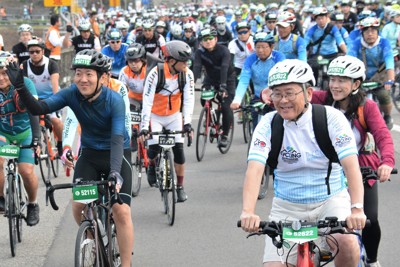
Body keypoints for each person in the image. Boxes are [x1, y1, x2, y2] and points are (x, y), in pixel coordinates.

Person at [9, 49, 134, 266]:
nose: (82, 79)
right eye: (78, 73)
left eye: (88, 74)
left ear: (102, 77)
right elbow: (39, 108)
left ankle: (126, 264)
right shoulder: (71, 94)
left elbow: (117, 139)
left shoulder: (114, 100)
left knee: (121, 211)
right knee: (78, 206)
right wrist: (20, 85)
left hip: (116, 155)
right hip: (90, 155)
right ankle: (90, 239)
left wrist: (115, 173)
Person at [240, 59, 367, 267]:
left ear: (308, 93)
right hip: (286, 208)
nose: (283, 100)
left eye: (289, 93)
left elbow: (351, 165)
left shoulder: (331, 119)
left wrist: (357, 209)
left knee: (348, 242)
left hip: (330, 202)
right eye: (277, 94)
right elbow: (254, 170)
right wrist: (248, 211)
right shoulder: (267, 125)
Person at [312, 55, 395, 267]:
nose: (334, 85)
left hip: (361, 169)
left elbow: (383, 135)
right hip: (328, 170)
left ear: (356, 83)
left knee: (369, 219)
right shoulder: (323, 100)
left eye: (341, 80)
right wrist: (273, 93)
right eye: (332, 79)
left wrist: (386, 162)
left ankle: (372, 260)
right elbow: (299, 95)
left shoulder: (367, 107)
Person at [140, 41, 194, 202]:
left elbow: (189, 99)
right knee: (154, 147)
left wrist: (187, 123)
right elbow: (147, 101)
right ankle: (151, 165)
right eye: (183, 61)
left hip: (174, 116)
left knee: (179, 151)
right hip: (155, 116)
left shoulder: (187, 74)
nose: (186, 64)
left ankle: (180, 186)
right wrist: (144, 127)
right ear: (171, 61)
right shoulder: (155, 74)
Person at [0, 51, 40, 226]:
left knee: (26, 171)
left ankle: (32, 204)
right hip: (3, 133)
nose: (1, 78)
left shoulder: (26, 84)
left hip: (25, 133)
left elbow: (33, 111)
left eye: (4, 72)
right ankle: (1, 197)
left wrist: (37, 139)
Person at [348, 17, 395, 130]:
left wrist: (390, 79)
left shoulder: (384, 42)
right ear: (362, 33)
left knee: (384, 95)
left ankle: (387, 116)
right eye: (367, 31)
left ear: (377, 32)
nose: (370, 34)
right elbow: (350, 60)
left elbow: (389, 60)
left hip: (379, 77)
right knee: (352, 98)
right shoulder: (356, 43)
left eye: (373, 30)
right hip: (361, 77)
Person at [231, 32, 285, 128]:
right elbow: (244, 80)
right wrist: (237, 100)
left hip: (276, 96)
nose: (260, 50)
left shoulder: (278, 57)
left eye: (264, 47)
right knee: (256, 127)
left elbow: (282, 78)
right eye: (257, 47)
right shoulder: (250, 59)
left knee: (279, 126)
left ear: (271, 47)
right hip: (258, 97)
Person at [193, 28, 236, 148]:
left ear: (216, 39)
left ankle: (225, 135)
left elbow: (224, 67)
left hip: (227, 79)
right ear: (201, 42)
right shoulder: (199, 52)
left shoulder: (224, 50)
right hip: (210, 79)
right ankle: (211, 116)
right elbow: (196, 68)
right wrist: (191, 84)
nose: (208, 42)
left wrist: (223, 87)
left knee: (226, 106)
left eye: (210, 39)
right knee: (204, 99)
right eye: (205, 39)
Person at [22, 38, 64, 156]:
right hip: (33, 98)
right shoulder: (25, 65)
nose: (34, 54)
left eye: (37, 51)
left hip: (50, 98)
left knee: (56, 122)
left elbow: (55, 87)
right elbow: (23, 86)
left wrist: (56, 102)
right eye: (31, 52)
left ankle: (60, 146)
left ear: (43, 51)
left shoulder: (51, 64)